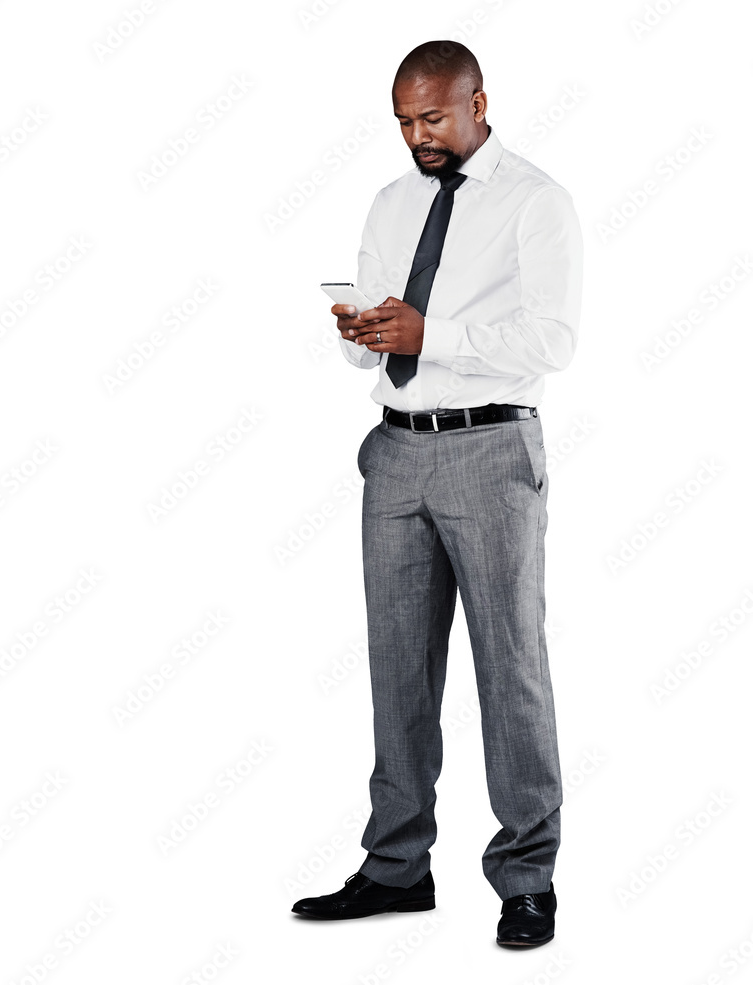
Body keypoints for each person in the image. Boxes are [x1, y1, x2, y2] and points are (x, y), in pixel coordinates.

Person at [291, 40, 583, 948]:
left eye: (432, 117)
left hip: (491, 448)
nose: (418, 136)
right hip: (396, 451)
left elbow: (552, 340)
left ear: (477, 103)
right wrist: (363, 332)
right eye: (404, 122)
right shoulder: (391, 201)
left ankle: (526, 878)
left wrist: (434, 332)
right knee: (399, 668)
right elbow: (376, 344)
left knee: (510, 665)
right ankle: (396, 866)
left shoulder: (536, 201)